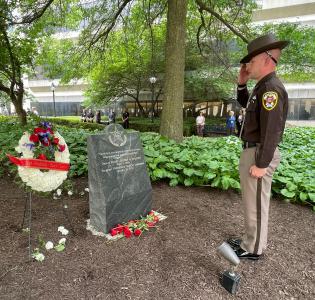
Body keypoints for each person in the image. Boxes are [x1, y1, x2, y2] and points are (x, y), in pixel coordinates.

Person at [227, 33, 289, 260]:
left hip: (259, 153)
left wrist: (262, 163)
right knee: (252, 202)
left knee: (257, 203)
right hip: (253, 151)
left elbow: (271, 129)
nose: (246, 66)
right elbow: (248, 106)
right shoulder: (263, 86)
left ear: (266, 58)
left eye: (250, 61)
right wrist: (241, 84)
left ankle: (253, 248)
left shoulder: (271, 88)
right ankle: (250, 239)